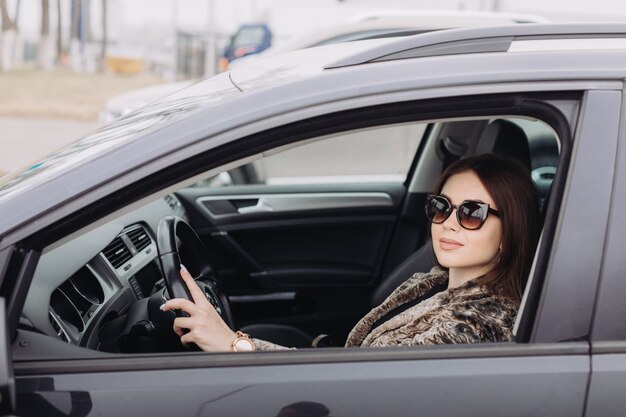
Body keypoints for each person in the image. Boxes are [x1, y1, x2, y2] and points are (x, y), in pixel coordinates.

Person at [160, 153, 540, 351]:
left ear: (510, 232)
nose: (448, 222)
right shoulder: (437, 282)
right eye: (442, 206)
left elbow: (354, 389)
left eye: (472, 212)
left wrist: (233, 344)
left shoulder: (471, 325)